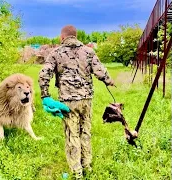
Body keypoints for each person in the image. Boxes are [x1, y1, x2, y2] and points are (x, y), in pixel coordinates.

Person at [38, 25, 114, 179]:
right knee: (85, 132)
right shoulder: (88, 51)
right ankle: (87, 166)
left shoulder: (56, 53)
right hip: (86, 100)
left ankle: (77, 172)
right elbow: (100, 71)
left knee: (72, 134)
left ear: (62, 37)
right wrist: (109, 80)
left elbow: (43, 74)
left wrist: (45, 95)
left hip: (68, 102)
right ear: (76, 36)